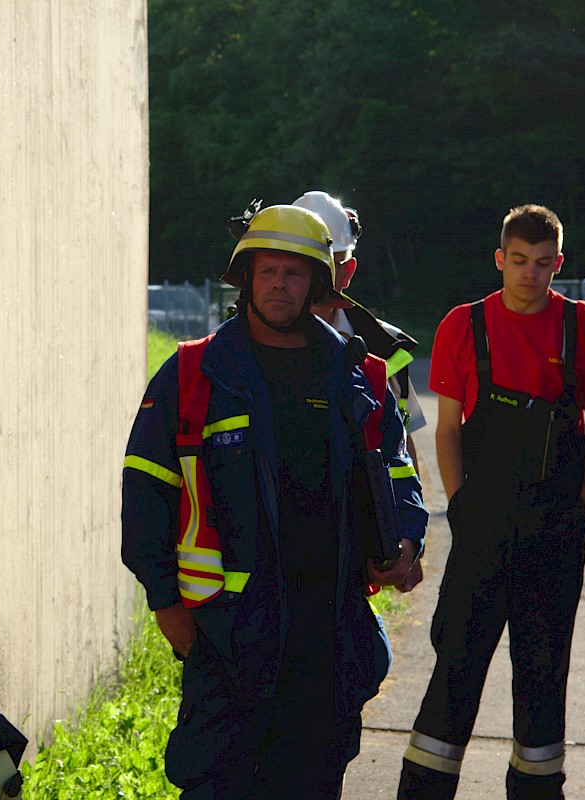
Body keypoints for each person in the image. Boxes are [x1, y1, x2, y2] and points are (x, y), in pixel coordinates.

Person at [121, 203, 427, 798]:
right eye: (267, 271)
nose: (279, 284)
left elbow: (397, 467)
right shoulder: (193, 372)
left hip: (329, 635)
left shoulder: (357, 373)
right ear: (246, 279)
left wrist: (406, 538)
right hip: (229, 636)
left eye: (294, 272)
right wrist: (166, 603)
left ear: (318, 283)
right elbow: (145, 493)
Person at [399, 205, 585, 799]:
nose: (530, 275)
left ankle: (537, 790)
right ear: (499, 259)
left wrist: (580, 509)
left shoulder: (582, 325)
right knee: (456, 666)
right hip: (483, 527)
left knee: (542, 673)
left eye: (542, 264)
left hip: (555, 532)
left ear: (558, 263)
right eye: (518, 262)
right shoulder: (464, 324)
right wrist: (461, 509)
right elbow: (447, 429)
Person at [294, 190, 428, 592]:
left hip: (353, 549)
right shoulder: (241, 343)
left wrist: (412, 543)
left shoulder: (385, 349)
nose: (312, 277)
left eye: (325, 266)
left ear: (347, 270)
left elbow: (405, 445)